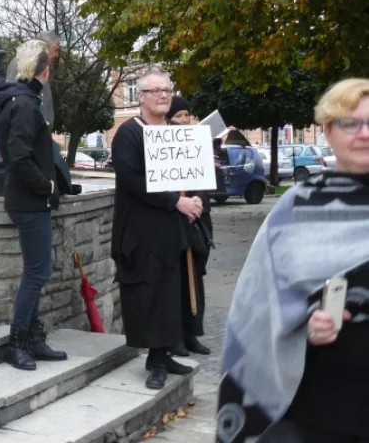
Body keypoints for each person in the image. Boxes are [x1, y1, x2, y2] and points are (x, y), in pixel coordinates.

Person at [218, 78, 369, 443]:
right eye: (350, 123)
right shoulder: (298, 205)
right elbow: (261, 301)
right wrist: (304, 325)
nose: (364, 134)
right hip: (322, 393)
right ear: (328, 132)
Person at [110, 70, 197, 389]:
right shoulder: (128, 134)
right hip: (140, 231)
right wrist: (176, 201)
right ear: (141, 96)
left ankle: (164, 352)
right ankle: (155, 360)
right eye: (155, 90)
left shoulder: (176, 131)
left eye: (167, 90)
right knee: (148, 294)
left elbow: (191, 170)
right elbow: (134, 181)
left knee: (170, 293)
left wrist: (195, 199)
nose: (163, 95)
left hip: (171, 230)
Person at [0, 40, 69, 371]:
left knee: (38, 271)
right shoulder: (25, 105)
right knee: (37, 272)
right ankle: (18, 342)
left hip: (27, 198)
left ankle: (34, 339)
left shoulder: (19, 100)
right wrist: (47, 185)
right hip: (28, 200)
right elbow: (20, 157)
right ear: (45, 70)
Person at [165, 96, 212, 357]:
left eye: (186, 115)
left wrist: (198, 203)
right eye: (178, 116)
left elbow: (204, 180)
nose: (183, 120)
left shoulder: (196, 143)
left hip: (195, 223)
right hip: (174, 223)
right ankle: (176, 338)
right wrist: (179, 202)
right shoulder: (163, 143)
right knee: (177, 283)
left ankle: (192, 333)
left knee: (194, 279)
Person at [6, 31, 60, 126]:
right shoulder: (20, 64)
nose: (57, 55)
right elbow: (12, 100)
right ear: (46, 47)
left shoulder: (42, 66)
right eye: (56, 50)